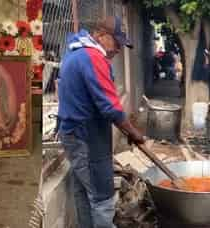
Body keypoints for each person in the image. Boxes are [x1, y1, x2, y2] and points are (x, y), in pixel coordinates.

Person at [57, 16, 145, 228]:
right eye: (116, 42)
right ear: (101, 35)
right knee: (102, 196)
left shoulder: (76, 51)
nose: (118, 49)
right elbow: (110, 106)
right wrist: (133, 132)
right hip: (86, 137)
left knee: (83, 192)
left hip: (75, 133)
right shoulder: (93, 58)